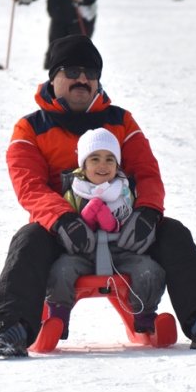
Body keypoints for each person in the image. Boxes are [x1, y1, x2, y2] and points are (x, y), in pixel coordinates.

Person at [0, 35, 196, 357]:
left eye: (91, 73)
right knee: (27, 239)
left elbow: (147, 172)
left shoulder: (120, 121)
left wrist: (147, 213)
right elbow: (29, 185)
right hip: (62, 231)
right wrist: (63, 219)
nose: (82, 79)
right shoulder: (30, 128)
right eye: (73, 71)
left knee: (173, 232)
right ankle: (12, 329)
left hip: (123, 226)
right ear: (54, 77)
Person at [45, 127, 167, 339]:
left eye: (110, 159)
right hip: (82, 252)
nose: (103, 165)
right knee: (61, 269)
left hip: (120, 251)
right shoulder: (74, 190)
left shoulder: (124, 189)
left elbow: (131, 215)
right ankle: (58, 317)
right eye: (95, 159)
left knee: (149, 269)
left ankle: (145, 316)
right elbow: (64, 217)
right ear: (83, 165)